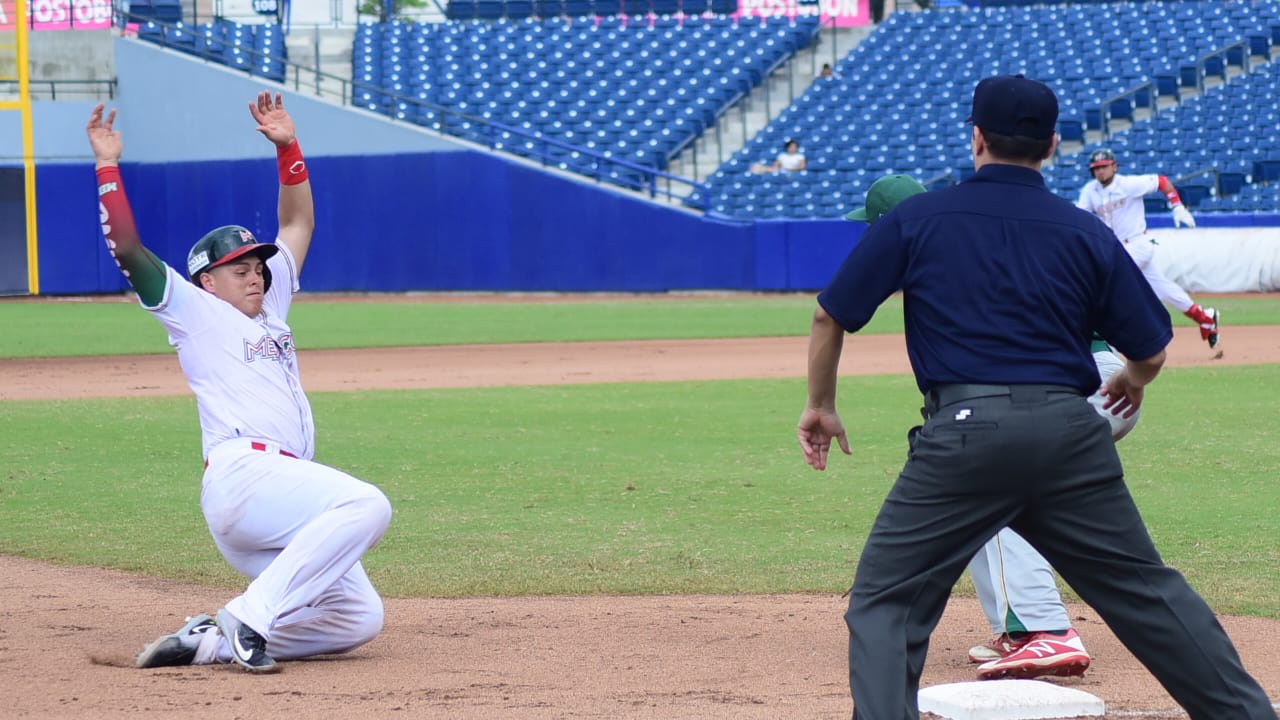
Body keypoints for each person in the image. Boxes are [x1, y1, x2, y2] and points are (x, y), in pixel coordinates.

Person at [798, 74, 1276, 719]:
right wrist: (1130, 382)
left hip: (962, 434)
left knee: (886, 603)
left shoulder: (919, 217)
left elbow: (831, 315)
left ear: (975, 139)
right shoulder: (1082, 228)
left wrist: (821, 405)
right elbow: (1152, 350)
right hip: (1069, 431)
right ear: (1051, 145)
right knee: (1148, 595)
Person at [87, 93, 393, 674]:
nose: (255, 276)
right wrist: (107, 166)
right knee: (367, 503)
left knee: (358, 618)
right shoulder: (194, 313)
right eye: (239, 269)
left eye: (257, 267)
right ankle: (248, 615)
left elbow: (297, 221)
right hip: (245, 477)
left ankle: (212, 641)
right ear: (206, 280)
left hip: (279, 499)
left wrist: (288, 149)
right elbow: (126, 248)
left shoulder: (270, 305)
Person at [846, 174, 1139, 683]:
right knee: (987, 486)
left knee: (989, 472)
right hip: (1092, 379)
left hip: (1088, 380)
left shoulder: (942, 256)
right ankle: (1019, 626)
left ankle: (1043, 628)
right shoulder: (967, 239)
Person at [1076, 149, 1221, 352]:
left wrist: (1177, 206)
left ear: (1114, 167)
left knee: (1109, 281)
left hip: (1138, 244)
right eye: (1096, 168)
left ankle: (1109, 339)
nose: (1100, 171)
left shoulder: (1128, 184)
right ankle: (1205, 317)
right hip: (1118, 248)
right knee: (1163, 288)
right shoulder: (1090, 191)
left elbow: (1161, 181)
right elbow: (1081, 215)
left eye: (1104, 166)